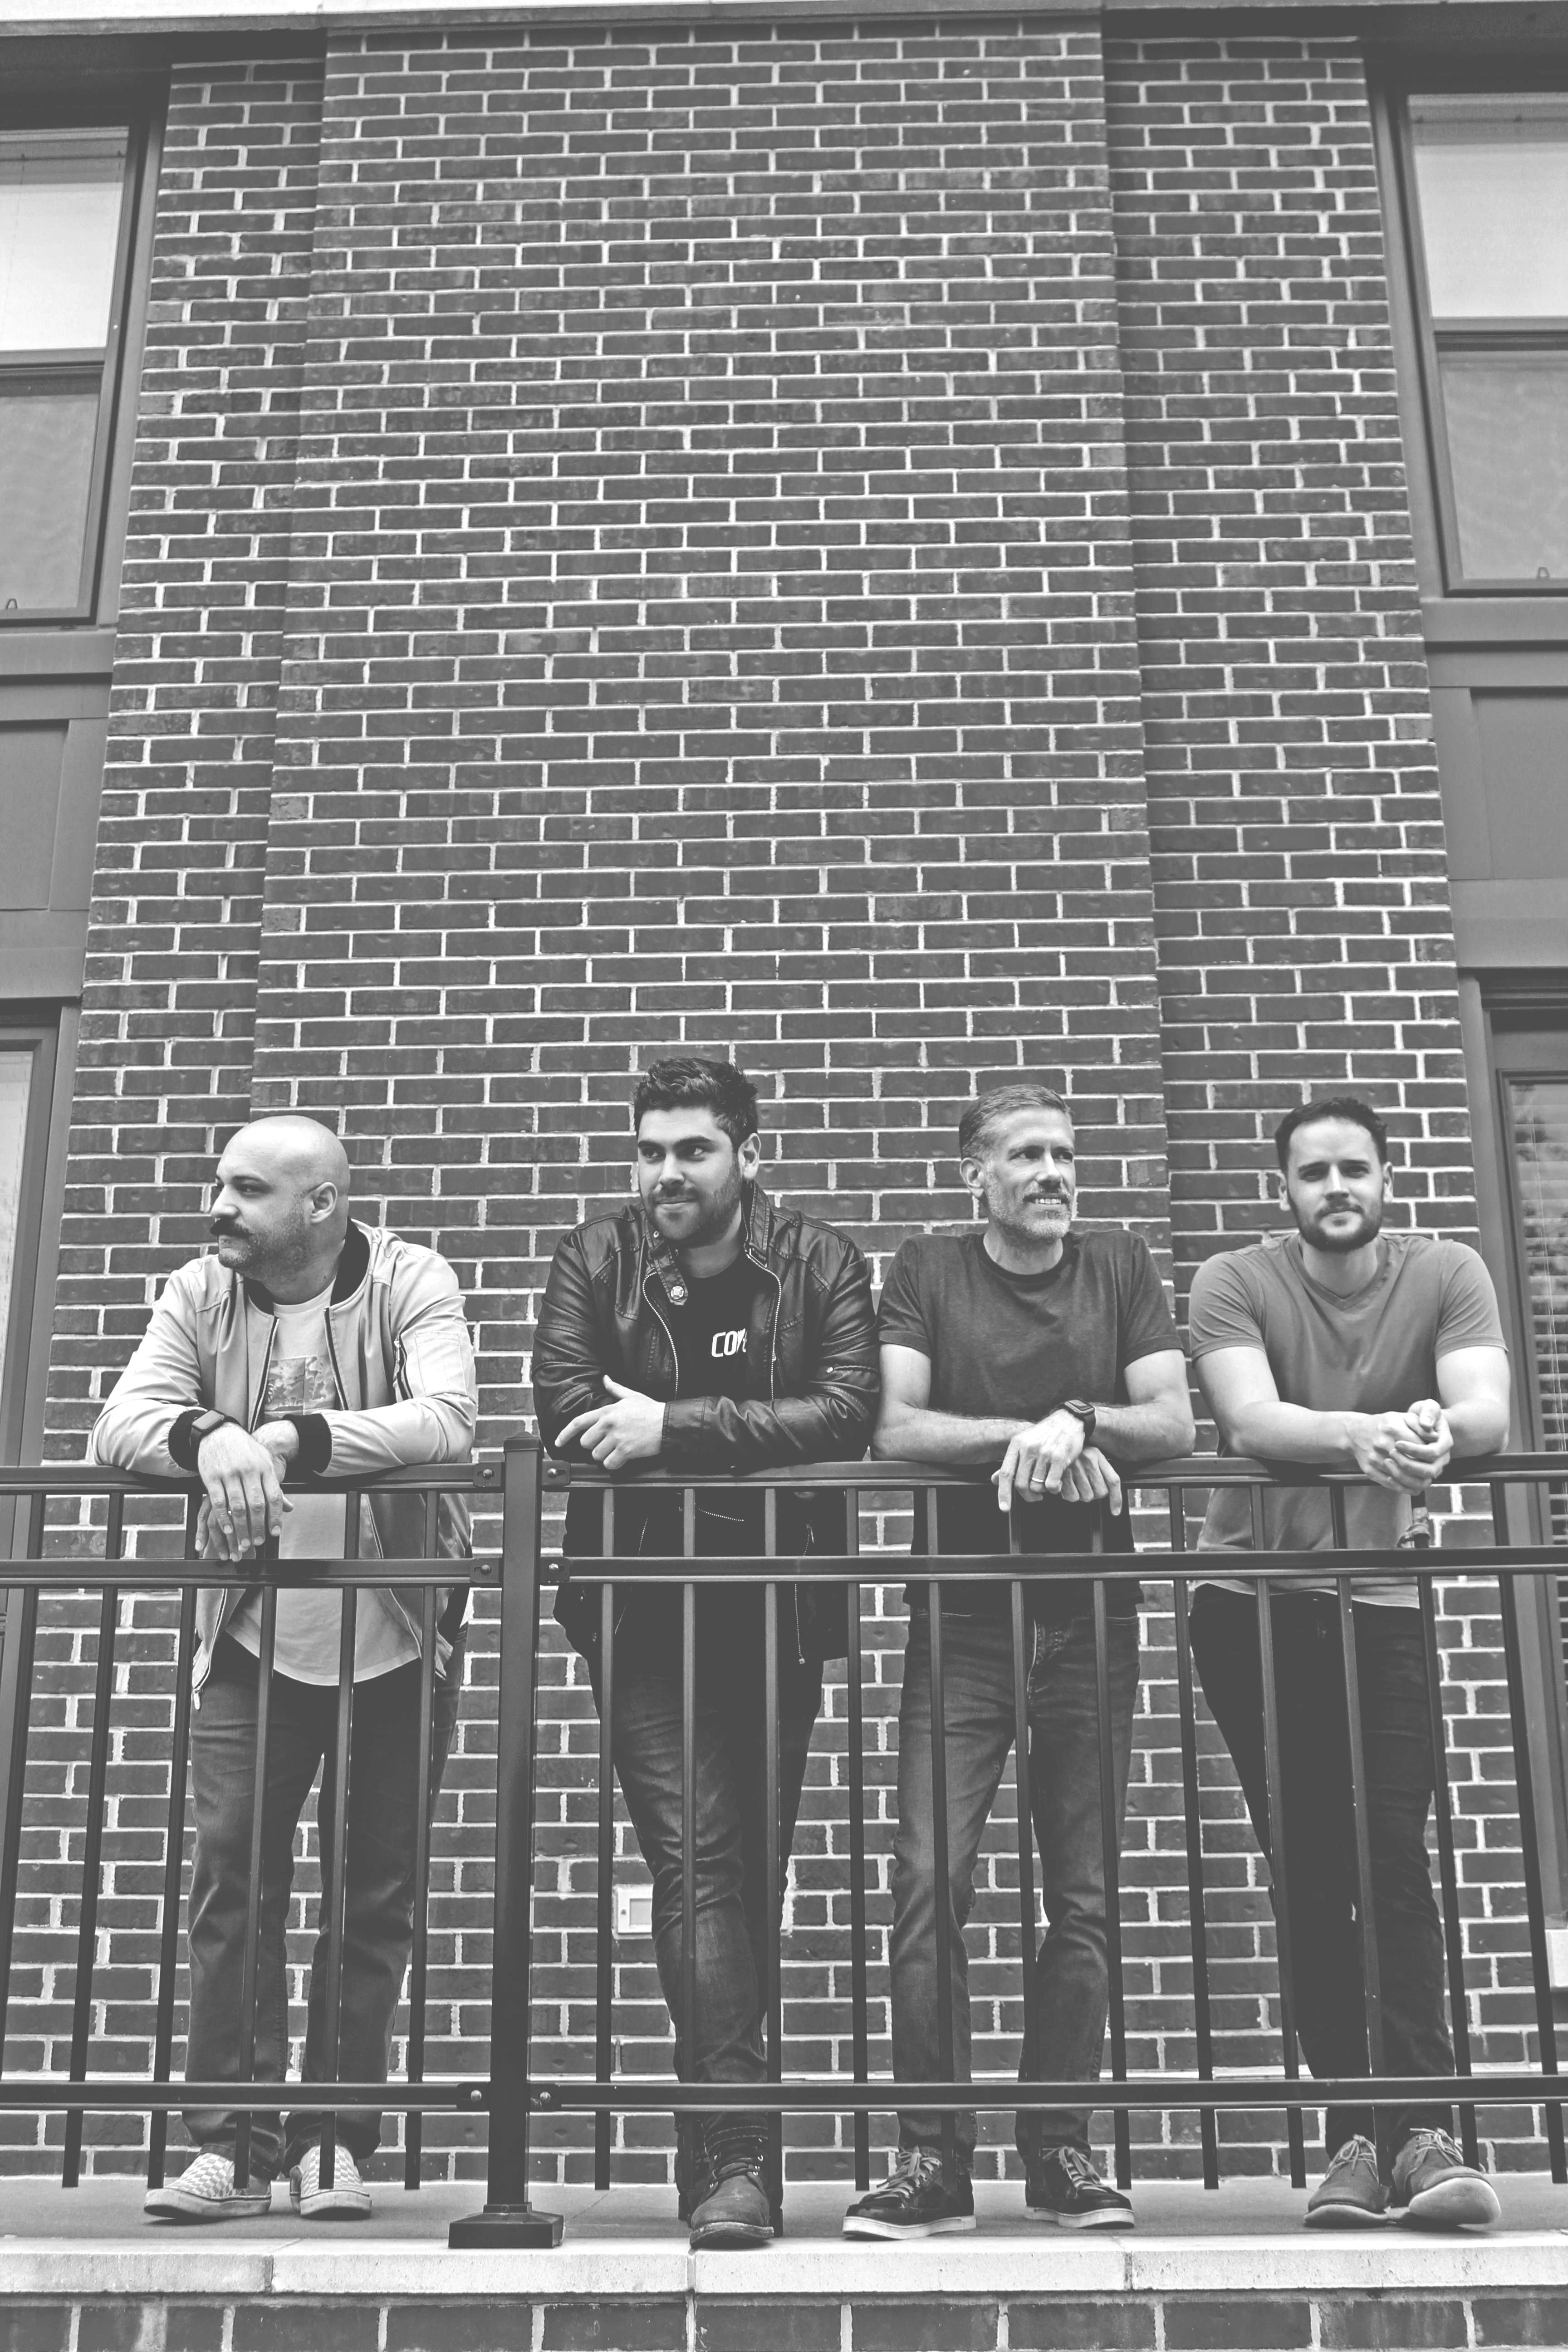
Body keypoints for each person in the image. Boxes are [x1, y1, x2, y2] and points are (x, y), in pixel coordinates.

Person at [90, 1115, 477, 2224]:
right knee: (233, 1886)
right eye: (221, 1185)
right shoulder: (199, 1291)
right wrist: (208, 1436)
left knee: (376, 1896)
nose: (221, 1207)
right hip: (254, 1637)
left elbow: (450, 1422)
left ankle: (335, 2140)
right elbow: (119, 1418)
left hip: (398, 1635)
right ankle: (235, 2147)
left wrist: (290, 1443)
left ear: (320, 1205)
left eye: (247, 1190)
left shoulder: (411, 1281)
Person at [532, 1057, 878, 2249]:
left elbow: (847, 1413)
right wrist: (712, 1439)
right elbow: (566, 1405)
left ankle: (731, 2158)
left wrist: (669, 1428)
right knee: (697, 1869)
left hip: (776, 1609)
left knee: (745, 1876)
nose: (666, 1172)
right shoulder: (595, 1257)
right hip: (638, 1610)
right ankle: (733, 2163)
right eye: (650, 1151)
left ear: (749, 1155)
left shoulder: (824, 1262)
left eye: (694, 1149)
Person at [843, 1083, 1194, 2240]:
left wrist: (1079, 1423)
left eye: (1066, 1154)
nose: (1055, 1172)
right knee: (927, 1882)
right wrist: (1031, 1439)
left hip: (1094, 1616)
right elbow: (897, 1425)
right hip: (964, 1622)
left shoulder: (1122, 1265)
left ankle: (1059, 2155)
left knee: (1082, 1895)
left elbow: (1174, 1423)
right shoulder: (928, 1270)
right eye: (1028, 1156)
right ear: (974, 1175)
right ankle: (932, 2160)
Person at [1187, 1094, 1511, 2230]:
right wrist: (1360, 1439)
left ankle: (1423, 2134)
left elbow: (1487, 1411)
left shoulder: (1448, 1269)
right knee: (1313, 1866)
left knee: (1393, 1859)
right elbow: (1249, 1421)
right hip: (1251, 1607)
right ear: (1283, 1187)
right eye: (1314, 1172)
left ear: (1387, 1178)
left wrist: (1432, 1428)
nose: (1336, 1188)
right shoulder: (1233, 1278)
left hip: (1383, 1606)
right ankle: (1354, 2138)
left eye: (1355, 1170)